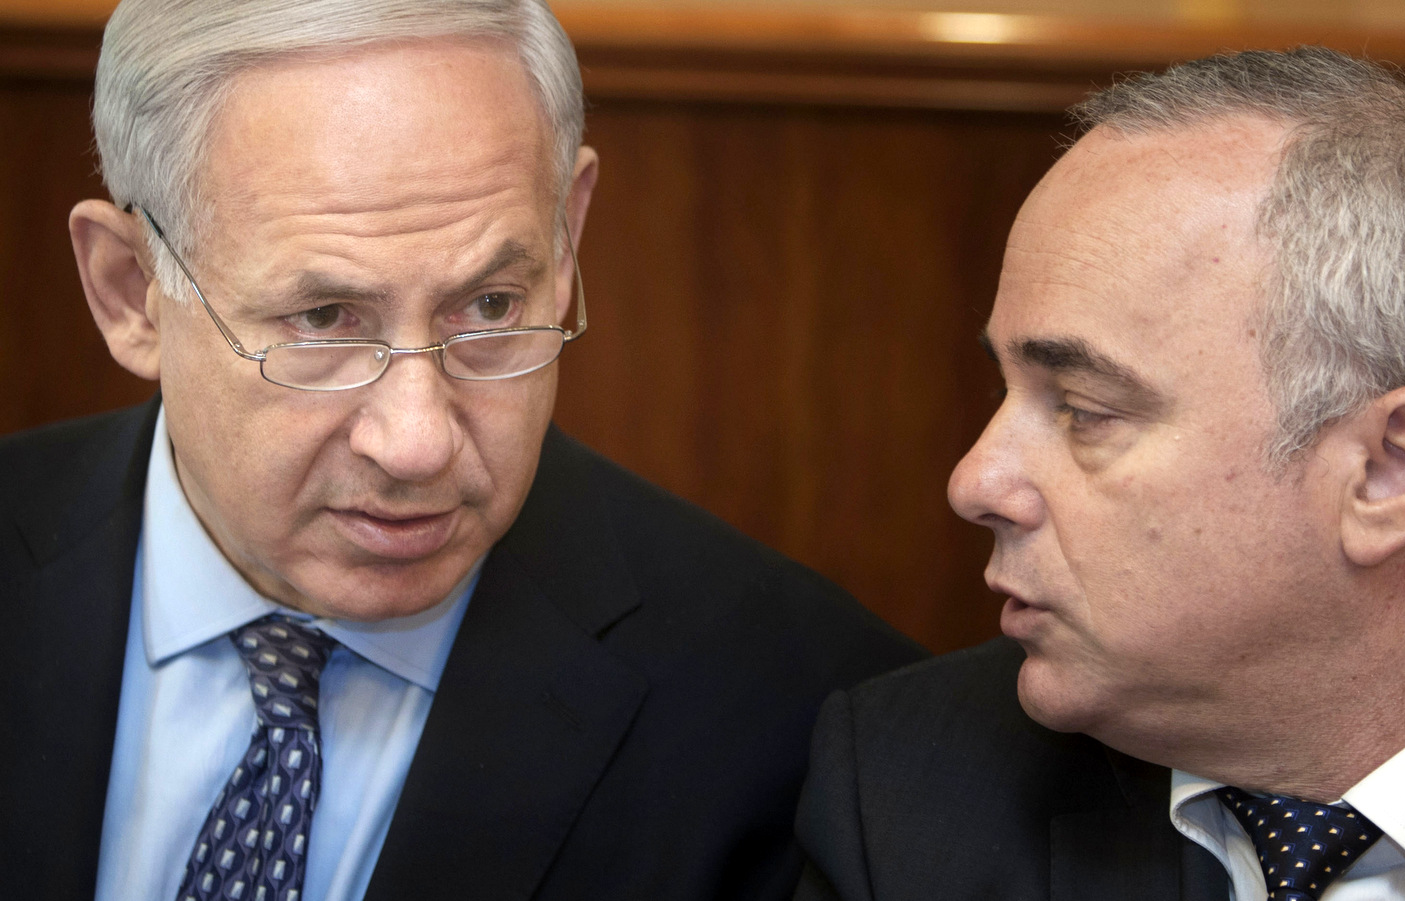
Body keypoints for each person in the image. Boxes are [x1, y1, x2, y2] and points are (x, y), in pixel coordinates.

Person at [0, 1, 923, 899]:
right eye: (323, 322)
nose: (418, 442)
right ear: (128, 291)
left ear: (565, 245)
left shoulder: (801, 723)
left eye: (489, 306)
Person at [793, 46, 1405, 901]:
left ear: (1385, 471)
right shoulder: (915, 792)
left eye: (1084, 408)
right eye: (1005, 390)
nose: (976, 481)